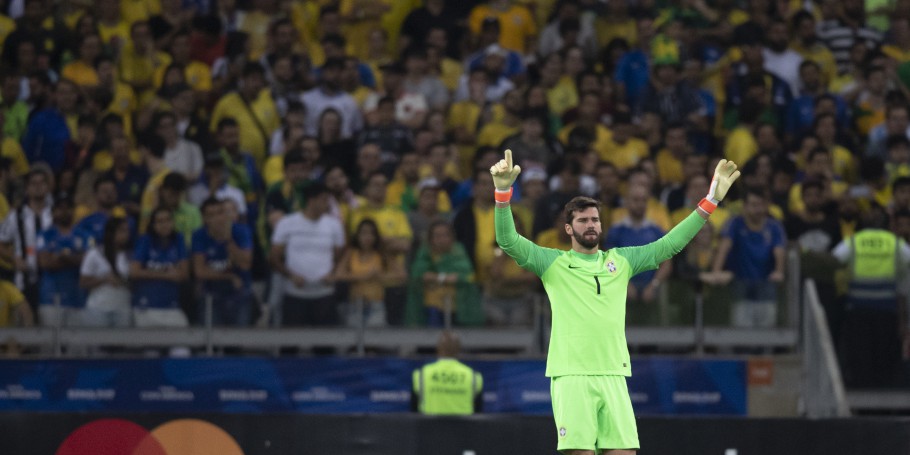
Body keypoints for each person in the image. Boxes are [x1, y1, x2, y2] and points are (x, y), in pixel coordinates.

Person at [491, 149, 740, 454]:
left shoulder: (621, 261)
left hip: (614, 374)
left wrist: (710, 201)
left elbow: (670, 245)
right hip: (572, 375)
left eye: (595, 219)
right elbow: (507, 241)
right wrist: (503, 193)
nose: (591, 224)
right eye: (583, 220)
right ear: (569, 229)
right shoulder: (552, 263)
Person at [832, 210, 910, 387]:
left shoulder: (854, 241)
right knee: (884, 359)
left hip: (858, 312)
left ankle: (862, 403)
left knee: (861, 359)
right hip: (887, 312)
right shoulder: (895, 242)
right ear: (888, 224)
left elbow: (833, 259)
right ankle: (883, 404)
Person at [270, 182, 345, 326]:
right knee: (290, 344)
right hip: (295, 293)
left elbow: (340, 256)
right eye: (324, 200)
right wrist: (291, 275)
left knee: (325, 345)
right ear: (311, 200)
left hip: (324, 293)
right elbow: (274, 258)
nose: (327, 204)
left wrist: (333, 273)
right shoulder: (287, 223)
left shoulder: (334, 225)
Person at [192, 198, 253, 326]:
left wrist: (228, 241)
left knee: (238, 340)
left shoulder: (241, 231)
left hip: (239, 293)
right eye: (212, 215)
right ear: (205, 219)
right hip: (211, 294)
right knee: (210, 339)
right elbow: (200, 271)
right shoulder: (199, 235)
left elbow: (245, 265)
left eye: (220, 213)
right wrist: (230, 276)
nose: (218, 218)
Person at [130, 207, 190, 328]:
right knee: (151, 347)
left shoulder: (178, 239)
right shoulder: (145, 240)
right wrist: (166, 274)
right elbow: (134, 272)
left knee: (182, 346)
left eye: (167, 220)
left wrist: (148, 272)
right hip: (146, 306)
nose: (164, 225)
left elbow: (184, 274)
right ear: (153, 225)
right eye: (160, 221)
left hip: (172, 307)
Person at [411, 331, 484, 415]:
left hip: (430, 427)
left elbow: (414, 412)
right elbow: (478, 413)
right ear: (458, 350)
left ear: (438, 349)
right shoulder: (473, 376)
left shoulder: (421, 374)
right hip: (463, 428)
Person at [79, 217, 132, 328]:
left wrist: (123, 281)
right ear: (111, 233)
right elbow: (83, 282)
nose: (125, 234)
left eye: (127, 231)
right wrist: (104, 279)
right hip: (99, 308)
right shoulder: (94, 254)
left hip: (122, 308)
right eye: (122, 231)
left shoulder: (129, 256)